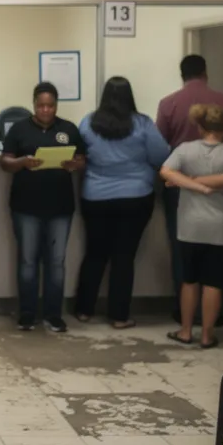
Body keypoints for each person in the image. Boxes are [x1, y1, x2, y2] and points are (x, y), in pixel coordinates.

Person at [75, 77, 170, 328]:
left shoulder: (88, 122)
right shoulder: (143, 124)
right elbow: (162, 156)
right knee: (123, 257)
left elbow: (79, 154)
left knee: (95, 254)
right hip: (135, 197)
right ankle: (119, 316)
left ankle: (84, 310)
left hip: (95, 196)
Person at [155, 55, 223, 318]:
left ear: (182, 75)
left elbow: (160, 147)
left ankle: (184, 314)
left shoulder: (168, 103)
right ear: (205, 72)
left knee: (184, 252)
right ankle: (217, 314)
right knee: (218, 256)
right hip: (221, 189)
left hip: (180, 188)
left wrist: (188, 180)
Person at [0, 82, 86, 333]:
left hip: (60, 207)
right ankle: (27, 314)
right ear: (34, 105)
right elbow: (5, 161)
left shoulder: (68, 129)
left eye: (50, 106)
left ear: (56, 105)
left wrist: (74, 164)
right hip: (26, 206)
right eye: (41, 105)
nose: (46, 110)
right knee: (28, 261)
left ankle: (53, 314)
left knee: (56, 263)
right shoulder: (19, 128)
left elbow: (82, 159)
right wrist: (22, 162)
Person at [160, 104, 223, 349]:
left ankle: (186, 331)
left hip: (190, 225)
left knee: (189, 280)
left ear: (199, 126)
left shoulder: (185, 150)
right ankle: (207, 336)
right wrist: (203, 185)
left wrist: (188, 181)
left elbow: (166, 171)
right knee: (213, 283)